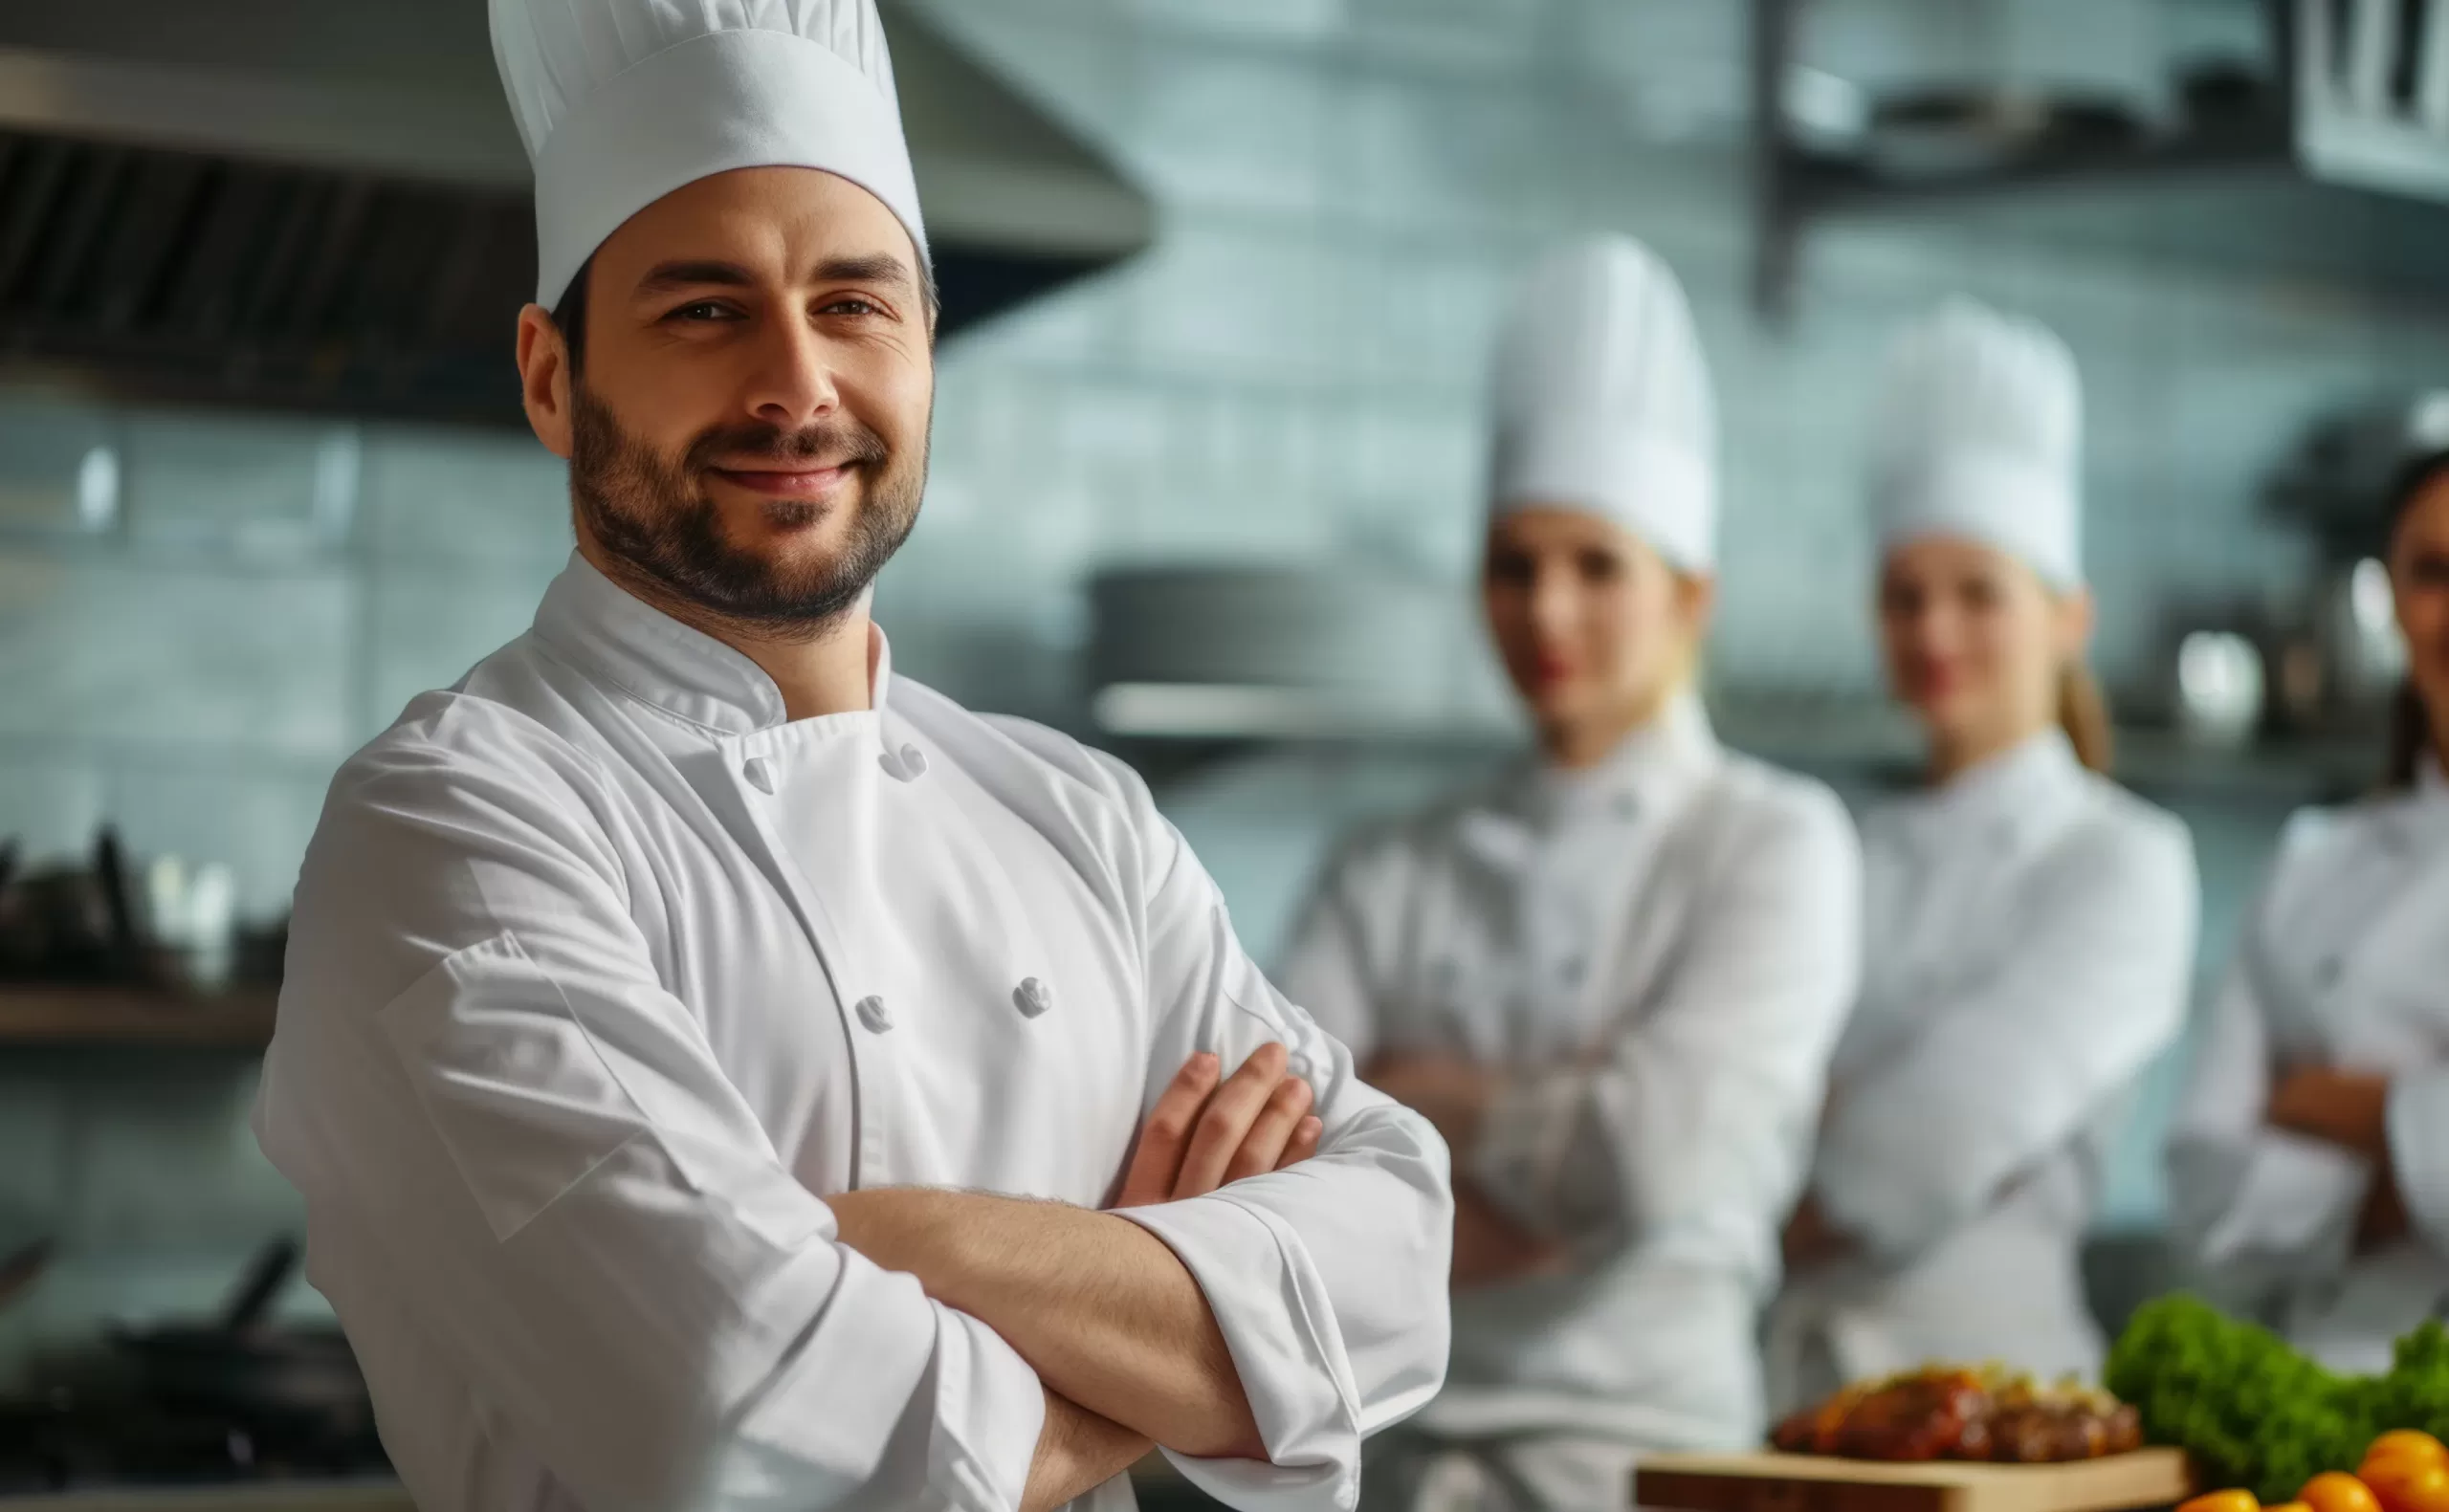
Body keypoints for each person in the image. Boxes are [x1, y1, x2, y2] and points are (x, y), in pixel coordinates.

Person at [249, 5, 1453, 1510]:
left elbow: (1396, 1259)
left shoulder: (1076, 817)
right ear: (553, 380)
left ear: (926, 349)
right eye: (705, 310)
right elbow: (734, 1413)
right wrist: (1177, 1338)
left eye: (855, 303)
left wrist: (904, 1244)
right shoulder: (455, 823)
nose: (797, 384)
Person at [1276, 234, 1864, 1511]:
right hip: (1392, 1468)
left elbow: (1648, 1162)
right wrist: (1563, 1163)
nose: (1547, 611)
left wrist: (1413, 1105)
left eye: (1598, 564)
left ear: (1691, 594)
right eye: (1514, 564)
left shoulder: (1773, 841)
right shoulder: (1392, 859)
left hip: (1658, 1472)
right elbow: (1263, 1178)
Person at [1768, 299, 2199, 1408]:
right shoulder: (1830, 845)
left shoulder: (2124, 861)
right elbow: (1740, 1096)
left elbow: (1931, 1139)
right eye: (1905, 597)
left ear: (2069, 618)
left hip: (2005, 1411)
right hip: (1789, 1404)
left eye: (1977, 594)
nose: (1933, 633)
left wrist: (1769, 1198)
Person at [2165, 417, 2449, 1373]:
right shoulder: (2312, 866)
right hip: (2328, 1413)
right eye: (2429, 573)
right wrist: (2420, 1146)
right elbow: (2204, 1191)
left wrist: (2342, 1108)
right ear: (2393, 603)